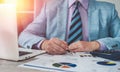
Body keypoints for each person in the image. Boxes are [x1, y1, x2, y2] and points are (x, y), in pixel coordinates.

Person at [18, 0, 120, 55]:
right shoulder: (49, 6)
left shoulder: (108, 9)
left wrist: (95, 45)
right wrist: (44, 44)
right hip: (55, 66)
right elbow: (24, 36)